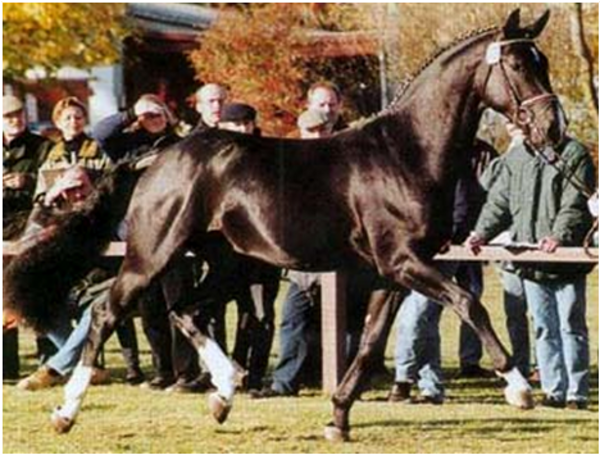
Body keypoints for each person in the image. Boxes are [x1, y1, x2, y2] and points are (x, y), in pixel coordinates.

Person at [17, 97, 143, 390]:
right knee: (36, 301)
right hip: (69, 280)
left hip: (103, 280)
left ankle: (56, 367)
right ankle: (84, 364)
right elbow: (32, 231)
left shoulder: (98, 158)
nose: (73, 122)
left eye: (78, 117)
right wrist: (50, 196)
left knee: (99, 306)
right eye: (67, 118)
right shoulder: (51, 157)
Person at [467, 124, 596, 410]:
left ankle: (577, 393)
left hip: (565, 262)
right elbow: (499, 201)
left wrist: (559, 236)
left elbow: (574, 204)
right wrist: (481, 232)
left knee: (570, 325)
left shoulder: (574, 154)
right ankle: (554, 392)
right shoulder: (516, 159)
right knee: (543, 327)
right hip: (530, 259)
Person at [94, 94, 204, 393]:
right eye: (149, 115)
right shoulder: (126, 144)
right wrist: (132, 113)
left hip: (173, 235)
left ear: (168, 116)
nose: (154, 119)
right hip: (139, 236)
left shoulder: (180, 145)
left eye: (159, 114)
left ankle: (187, 372)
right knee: (149, 306)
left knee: (177, 302)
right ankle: (162, 371)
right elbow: (99, 133)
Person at [388, 140, 496, 405]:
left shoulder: (453, 167)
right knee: (424, 318)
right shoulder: (411, 167)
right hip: (417, 252)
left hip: (442, 252)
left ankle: (404, 379)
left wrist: (451, 235)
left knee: (416, 314)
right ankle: (430, 387)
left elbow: (464, 206)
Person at [3, 94, 52, 380]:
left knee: (34, 290)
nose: (15, 121)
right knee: (4, 297)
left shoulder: (41, 146)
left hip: (29, 224)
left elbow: (52, 182)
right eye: (9, 117)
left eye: (19, 116)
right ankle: (7, 365)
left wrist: (29, 181)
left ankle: (49, 360)